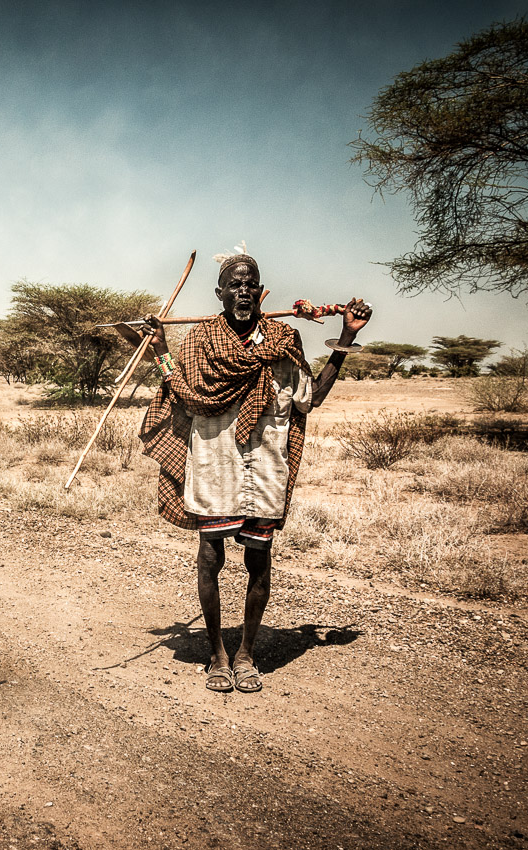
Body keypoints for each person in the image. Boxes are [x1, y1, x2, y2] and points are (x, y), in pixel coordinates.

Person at [139, 249, 371, 694]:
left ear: (260, 292)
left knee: (258, 559)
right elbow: (184, 393)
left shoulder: (284, 339)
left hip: (265, 464)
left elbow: (312, 397)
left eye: (251, 284)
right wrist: (159, 351)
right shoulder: (200, 341)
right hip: (213, 461)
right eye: (235, 284)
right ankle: (217, 655)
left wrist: (345, 335)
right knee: (210, 557)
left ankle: (246, 653)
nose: (243, 291)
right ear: (220, 293)